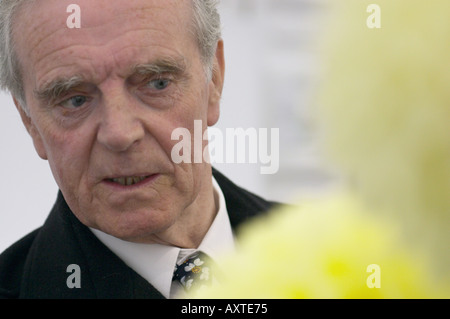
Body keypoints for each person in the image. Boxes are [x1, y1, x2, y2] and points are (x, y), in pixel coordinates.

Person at [0, 0, 278, 299]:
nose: (120, 134)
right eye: (75, 100)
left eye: (157, 83)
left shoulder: (331, 248)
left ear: (214, 79)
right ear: (29, 121)